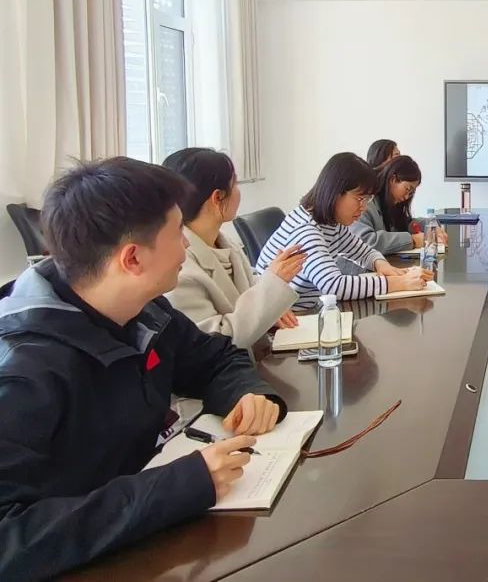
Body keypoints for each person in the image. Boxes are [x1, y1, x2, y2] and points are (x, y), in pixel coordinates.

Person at [0, 157, 287, 579]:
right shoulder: (23, 371)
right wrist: (180, 486)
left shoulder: (145, 311)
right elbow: (10, 538)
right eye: (177, 232)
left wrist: (247, 393)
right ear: (132, 258)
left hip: (144, 542)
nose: (187, 245)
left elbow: (215, 358)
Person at [162, 148, 305, 349]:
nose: (238, 191)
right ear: (217, 197)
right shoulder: (179, 269)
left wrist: (271, 306)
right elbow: (217, 342)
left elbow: (250, 287)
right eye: (235, 184)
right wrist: (273, 286)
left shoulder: (225, 243)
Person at [256, 152, 428, 310]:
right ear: (336, 192)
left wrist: (380, 264)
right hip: (287, 320)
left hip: (307, 310)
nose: (363, 207)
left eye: (367, 199)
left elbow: (363, 251)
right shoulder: (307, 229)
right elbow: (334, 286)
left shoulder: (331, 224)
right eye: (360, 198)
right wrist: (398, 283)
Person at [351, 155, 447, 255]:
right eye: (407, 189)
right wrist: (413, 240)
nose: (407, 197)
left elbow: (405, 224)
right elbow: (365, 241)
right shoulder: (364, 202)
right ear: (393, 179)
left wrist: (430, 225)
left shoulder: (390, 203)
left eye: (411, 193)